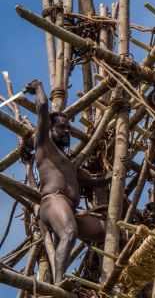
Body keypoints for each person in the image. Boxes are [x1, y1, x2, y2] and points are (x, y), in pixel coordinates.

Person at [25, 79, 104, 283]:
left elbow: (97, 180)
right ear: (49, 129)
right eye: (61, 128)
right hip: (53, 202)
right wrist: (38, 87)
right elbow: (42, 107)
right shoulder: (44, 145)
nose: (67, 131)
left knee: (109, 231)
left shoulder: (68, 163)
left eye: (68, 128)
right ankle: (59, 283)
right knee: (69, 232)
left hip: (70, 209)